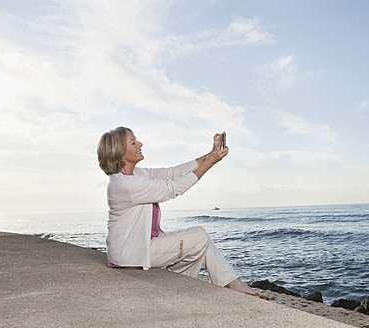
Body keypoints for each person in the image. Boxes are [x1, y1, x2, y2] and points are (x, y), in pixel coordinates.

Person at [97, 126, 267, 299]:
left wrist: (210, 153)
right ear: (120, 152)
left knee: (199, 235)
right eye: (133, 142)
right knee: (199, 239)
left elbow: (173, 173)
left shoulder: (137, 174)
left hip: (141, 245)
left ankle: (184, 281)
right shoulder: (125, 184)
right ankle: (233, 284)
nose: (140, 144)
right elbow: (173, 189)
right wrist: (210, 163)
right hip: (131, 253)